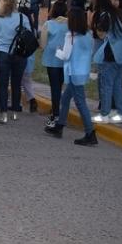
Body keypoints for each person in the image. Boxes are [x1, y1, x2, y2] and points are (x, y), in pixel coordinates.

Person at [44, 8, 99, 146]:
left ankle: (90, 133)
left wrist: (58, 50)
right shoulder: (88, 35)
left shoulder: (71, 36)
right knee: (66, 98)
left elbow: (65, 55)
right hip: (82, 71)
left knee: (80, 104)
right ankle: (60, 126)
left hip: (73, 72)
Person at [0, 0, 31, 124]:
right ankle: (15, 112)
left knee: (3, 85)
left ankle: (3, 114)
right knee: (16, 83)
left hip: (2, 53)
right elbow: (29, 35)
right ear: (15, 2)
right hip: (19, 54)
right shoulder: (22, 17)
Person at [91, 0, 122, 123]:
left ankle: (104, 115)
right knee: (117, 84)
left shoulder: (106, 15)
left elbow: (101, 34)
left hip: (111, 54)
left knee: (106, 85)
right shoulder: (121, 14)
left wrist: (96, 27)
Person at [40, 1, 69, 127]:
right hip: (65, 58)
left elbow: (43, 43)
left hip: (51, 58)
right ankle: (59, 111)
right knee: (61, 85)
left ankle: (55, 113)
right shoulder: (70, 24)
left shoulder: (48, 24)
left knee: (54, 87)